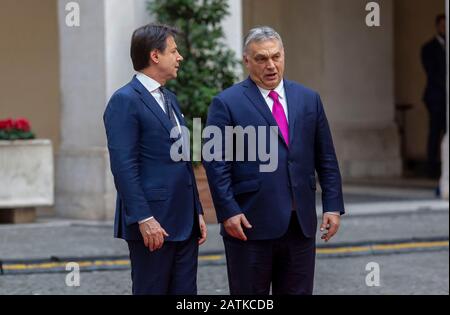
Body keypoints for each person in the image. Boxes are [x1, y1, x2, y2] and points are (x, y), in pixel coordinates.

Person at [203, 26, 345, 295]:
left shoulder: (309, 99)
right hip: (249, 225)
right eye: (261, 59)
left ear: (283, 56)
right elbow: (215, 163)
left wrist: (333, 206)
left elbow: (326, 157)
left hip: (300, 225)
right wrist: (228, 212)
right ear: (246, 60)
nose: (270, 65)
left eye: (276, 57)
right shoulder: (226, 103)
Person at [103, 23, 207, 295]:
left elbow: (182, 160)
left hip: (184, 221)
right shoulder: (124, 100)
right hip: (153, 224)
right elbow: (124, 166)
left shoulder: (170, 99)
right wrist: (144, 217)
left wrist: (197, 210)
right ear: (155, 55)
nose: (180, 57)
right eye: (174, 51)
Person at [421, 14, 446, 180]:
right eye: (443, 25)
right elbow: (432, 73)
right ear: (437, 26)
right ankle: (431, 169)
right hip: (436, 97)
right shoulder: (428, 48)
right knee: (435, 133)